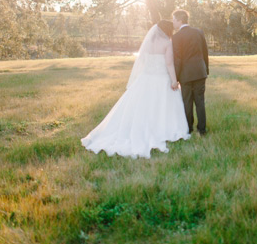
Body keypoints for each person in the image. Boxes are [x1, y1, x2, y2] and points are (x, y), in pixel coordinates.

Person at [81, 20, 190, 159]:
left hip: (145, 78)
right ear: (168, 31)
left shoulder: (148, 42)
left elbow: (143, 62)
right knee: (161, 106)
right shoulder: (167, 43)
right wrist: (174, 81)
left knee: (142, 106)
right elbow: (169, 63)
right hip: (161, 78)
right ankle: (163, 130)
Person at [172, 9, 209, 136]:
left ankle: (188, 128)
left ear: (180, 20)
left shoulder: (176, 37)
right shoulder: (199, 32)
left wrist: (175, 78)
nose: (173, 23)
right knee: (200, 101)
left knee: (187, 102)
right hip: (200, 72)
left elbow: (177, 59)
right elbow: (205, 53)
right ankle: (202, 129)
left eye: (174, 20)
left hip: (185, 74)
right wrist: (206, 70)